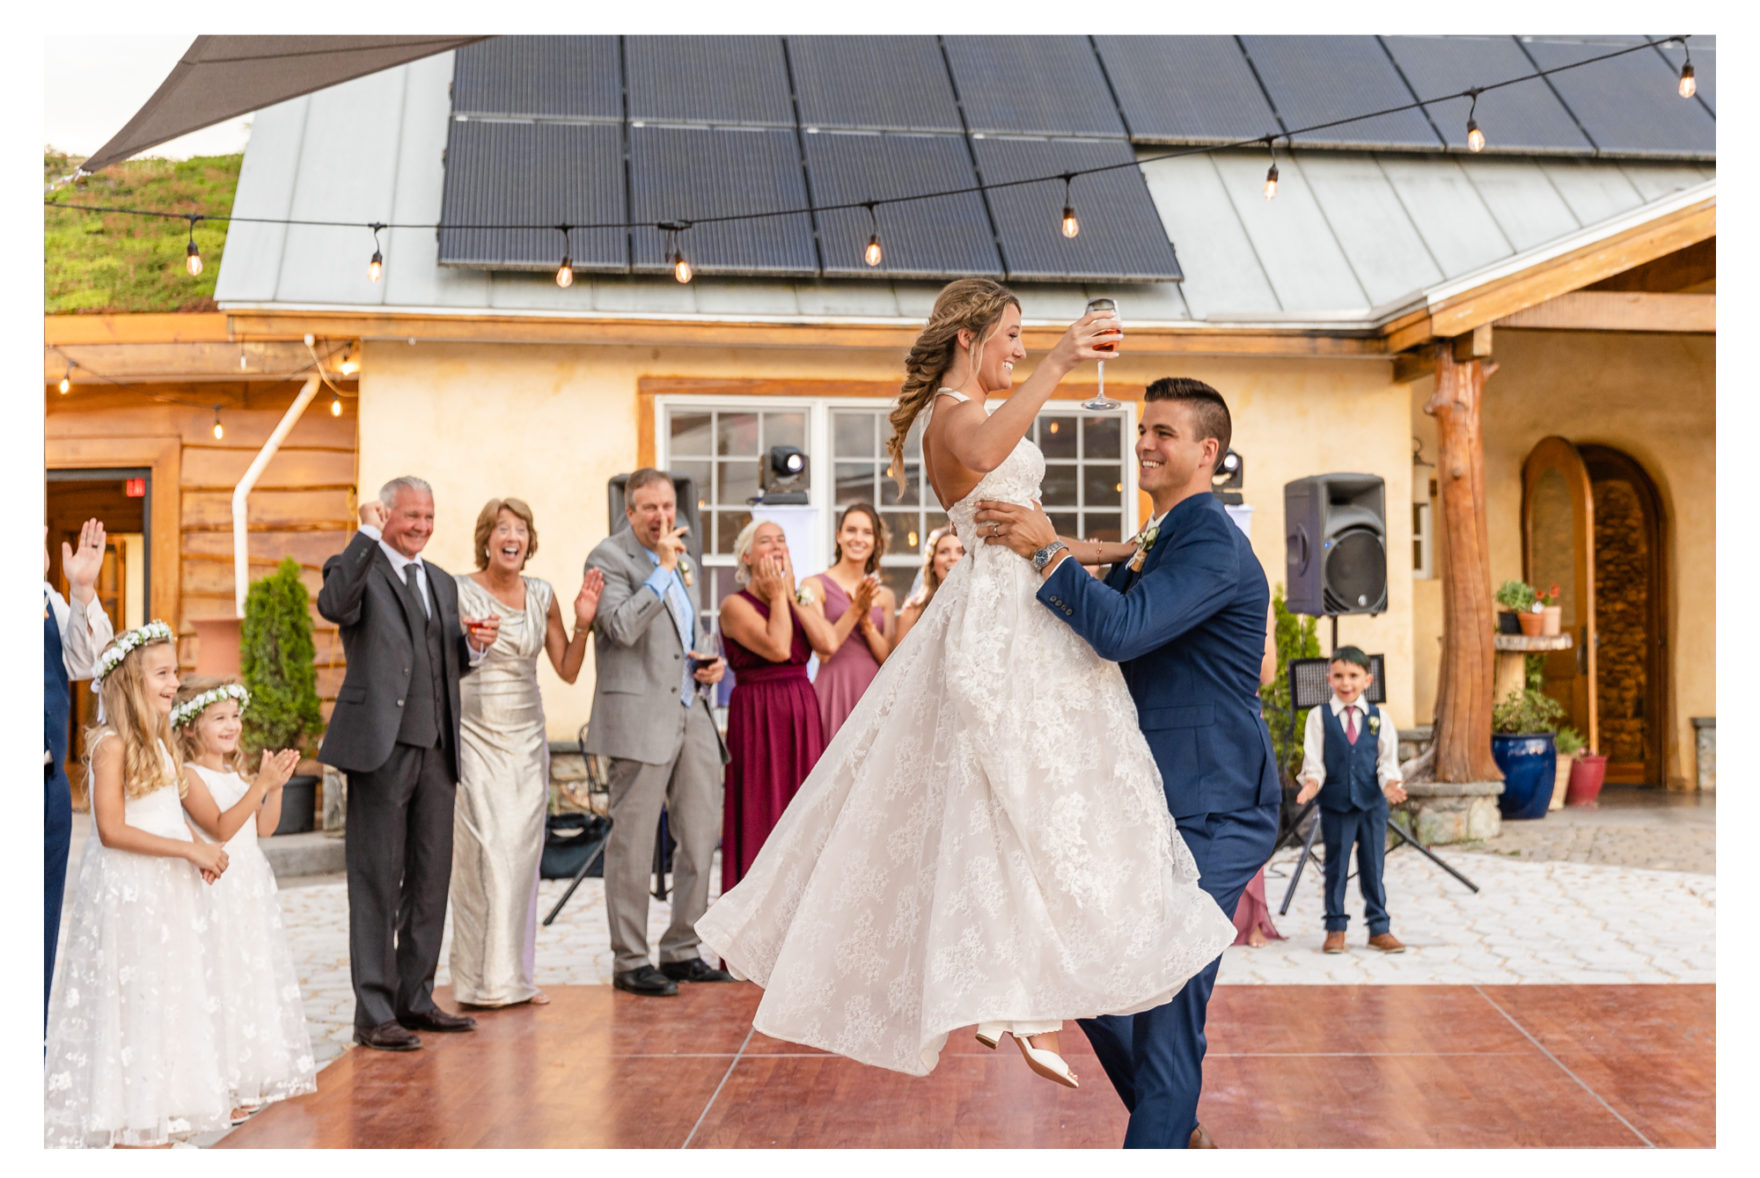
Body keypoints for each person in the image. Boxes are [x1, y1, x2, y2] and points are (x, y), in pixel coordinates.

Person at [696, 278, 1236, 1091]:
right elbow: (985, 458)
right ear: (968, 338)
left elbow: (1027, 535)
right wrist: (1061, 358)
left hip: (1023, 596)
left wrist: (1121, 550)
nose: (1019, 351)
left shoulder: (978, 415)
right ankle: (1012, 999)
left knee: (1034, 798)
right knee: (1014, 791)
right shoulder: (954, 419)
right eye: (1011, 336)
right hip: (1001, 620)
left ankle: (1019, 997)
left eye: (1026, 339)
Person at [976, 376, 1282, 1148]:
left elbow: (1122, 629)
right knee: (1087, 970)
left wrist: (1043, 546)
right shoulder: (1164, 534)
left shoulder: (1211, 541)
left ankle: (1165, 1133)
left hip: (1215, 810)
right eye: (1143, 429)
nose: (1144, 442)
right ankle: (1176, 1130)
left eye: (1164, 433)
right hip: (1148, 803)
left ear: (1208, 451)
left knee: (1168, 1005)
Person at [317, 476, 498, 1052]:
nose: (421, 525)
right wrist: (365, 531)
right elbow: (333, 605)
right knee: (376, 880)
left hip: (438, 748)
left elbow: (443, 664)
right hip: (379, 747)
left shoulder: (442, 582)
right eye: (410, 515)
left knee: (428, 878)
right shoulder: (356, 565)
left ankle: (414, 999)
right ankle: (373, 1012)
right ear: (386, 513)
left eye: (429, 516)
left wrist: (474, 648)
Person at [44, 621, 233, 1148]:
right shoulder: (110, 743)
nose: (175, 682)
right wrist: (190, 849)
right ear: (131, 679)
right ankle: (129, 1123)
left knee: (167, 994)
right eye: (164, 673)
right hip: (131, 890)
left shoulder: (162, 740)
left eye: (176, 671)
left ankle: (159, 1112)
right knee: (134, 997)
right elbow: (111, 829)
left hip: (168, 891)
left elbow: (189, 816)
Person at [584, 470, 732, 997]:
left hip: (692, 713)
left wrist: (708, 666)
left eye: (667, 505)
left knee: (697, 838)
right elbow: (620, 628)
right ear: (630, 512)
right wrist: (663, 573)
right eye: (649, 507)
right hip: (638, 720)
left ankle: (682, 948)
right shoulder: (608, 558)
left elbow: (687, 635)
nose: (661, 517)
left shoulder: (683, 560)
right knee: (633, 844)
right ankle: (629, 960)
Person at [451, 497, 604, 1008]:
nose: (511, 536)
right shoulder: (458, 591)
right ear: (487, 540)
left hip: (527, 739)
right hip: (475, 735)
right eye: (501, 528)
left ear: (529, 541)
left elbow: (566, 668)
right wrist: (468, 644)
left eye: (520, 528)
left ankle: (514, 976)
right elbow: (441, 664)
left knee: (520, 855)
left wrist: (584, 621)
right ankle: (478, 981)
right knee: (484, 853)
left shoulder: (541, 595)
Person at [173, 676, 316, 1121]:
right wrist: (259, 785)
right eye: (219, 718)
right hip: (219, 891)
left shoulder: (235, 773)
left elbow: (264, 827)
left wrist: (272, 788)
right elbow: (219, 826)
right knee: (222, 976)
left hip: (251, 890)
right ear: (192, 727)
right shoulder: (191, 777)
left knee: (250, 976)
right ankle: (224, 1083)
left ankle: (249, 1076)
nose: (232, 725)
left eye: (235, 716)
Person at [716, 519, 834, 893]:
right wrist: (779, 596)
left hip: (801, 710)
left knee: (804, 815)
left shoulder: (796, 596)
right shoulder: (734, 605)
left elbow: (827, 645)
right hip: (757, 715)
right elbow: (779, 646)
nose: (776, 546)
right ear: (747, 557)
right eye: (765, 541)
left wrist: (792, 594)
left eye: (782, 539)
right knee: (762, 811)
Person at [44, 519, 115, 1031]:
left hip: (46, 792)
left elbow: (87, 662)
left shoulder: (47, 598)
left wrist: (83, 589)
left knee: (42, 922)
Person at [1295, 646, 1409, 954]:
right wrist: (1311, 783)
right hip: (1336, 804)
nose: (1346, 683)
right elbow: (1314, 760)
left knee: (1373, 866)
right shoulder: (1319, 717)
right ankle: (1335, 927)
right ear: (1329, 678)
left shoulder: (1378, 718)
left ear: (1368, 680)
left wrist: (1390, 785)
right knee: (1336, 866)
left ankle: (1379, 928)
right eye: (1340, 676)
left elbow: (1387, 761)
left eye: (1354, 676)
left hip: (1372, 804)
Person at [802, 503, 895, 740]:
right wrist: (855, 608)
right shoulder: (813, 586)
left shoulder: (885, 596)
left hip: (872, 691)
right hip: (833, 688)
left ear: (875, 542)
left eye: (867, 532)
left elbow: (887, 658)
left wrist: (865, 621)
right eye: (851, 530)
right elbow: (823, 652)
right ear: (839, 536)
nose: (858, 538)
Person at [1235, 605, 1284, 948]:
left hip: (1244, 718)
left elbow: (1267, 675)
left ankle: (1253, 918)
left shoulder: (1258, 602)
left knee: (1248, 813)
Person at [893, 526, 965, 647]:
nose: (952, 557)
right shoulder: (913, 609)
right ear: (932, 563)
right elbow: (897, 661)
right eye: (944, 552)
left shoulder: (977, 605)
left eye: (960, 552)